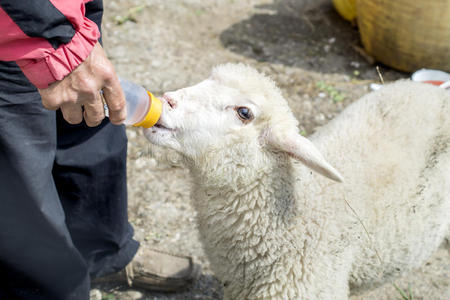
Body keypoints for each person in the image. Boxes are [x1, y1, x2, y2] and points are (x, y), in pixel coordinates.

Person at [0, 1, 199, 299]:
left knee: (92, 119)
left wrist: (73, 31)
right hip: (19, 24)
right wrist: (54, 36)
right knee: (21, 179)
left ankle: (103, 253)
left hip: (66, 13)